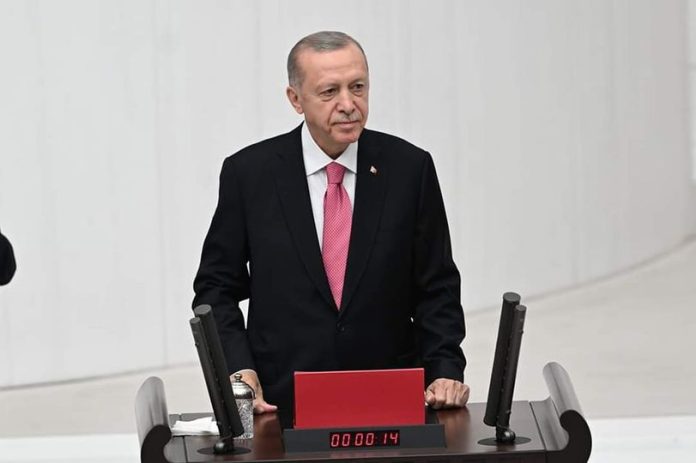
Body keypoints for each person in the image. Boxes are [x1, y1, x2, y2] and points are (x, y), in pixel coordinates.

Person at [193, 31, 469, 414]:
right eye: (329, 92)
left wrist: (444, 370)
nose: (348, 105)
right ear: (295, 99)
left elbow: (436, 286)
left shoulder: (409, 169)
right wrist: (239, 370)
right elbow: (215, 288)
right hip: (281, 402)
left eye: (358, 87)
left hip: (389, 395)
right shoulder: (249, 174)